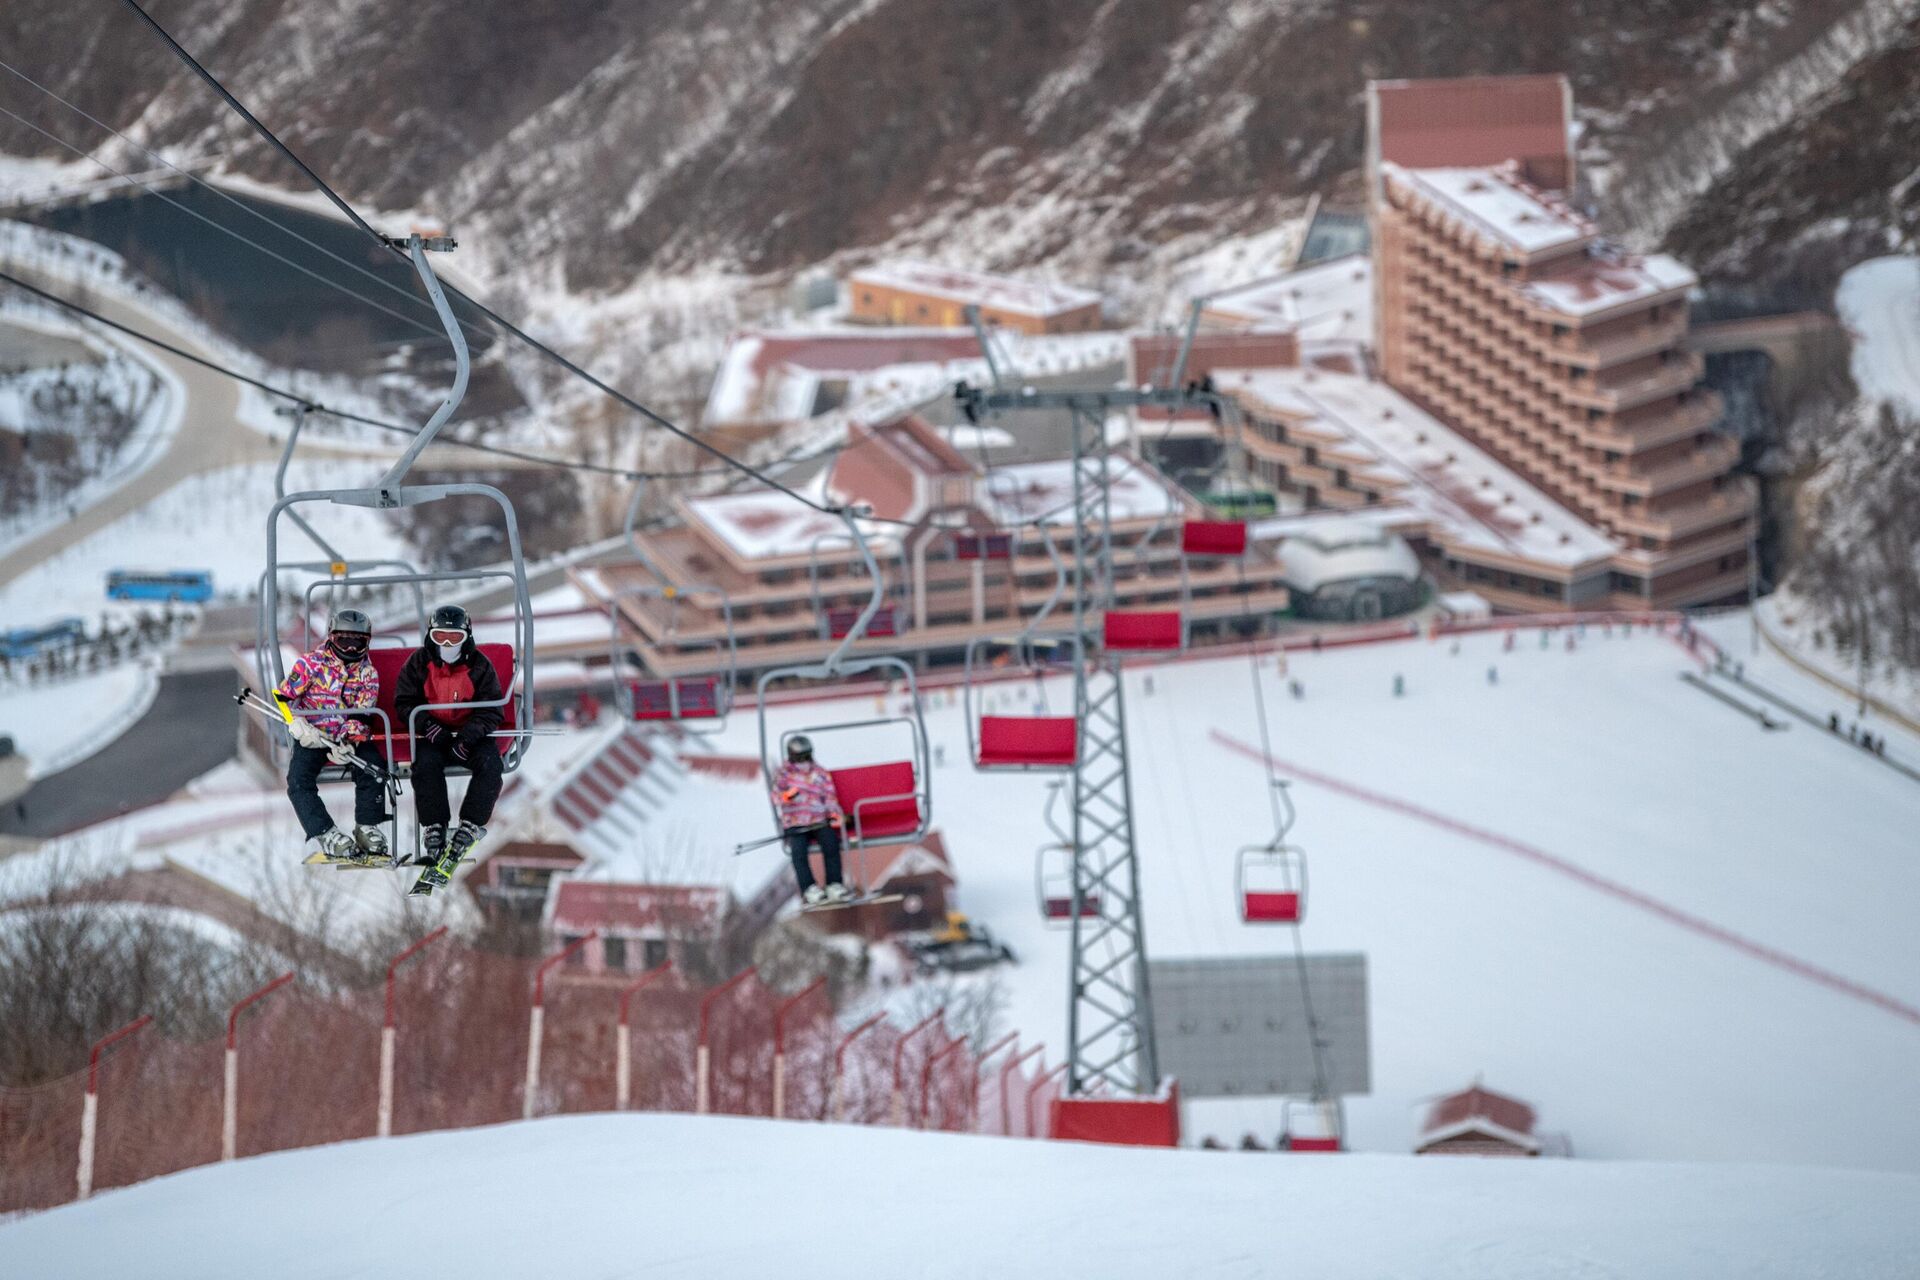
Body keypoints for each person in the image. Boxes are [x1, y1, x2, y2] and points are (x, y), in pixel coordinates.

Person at [394, 604, 504, 878]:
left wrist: (469, 737)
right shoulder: (419, 663)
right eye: (440, 636)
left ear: (466, 636)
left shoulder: (479, 665)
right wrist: (429, 727)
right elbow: (404, 702)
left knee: (491, 764)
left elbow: (492, 708)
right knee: (425, 766)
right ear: (430, 636)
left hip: (471, 734)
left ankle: (470, 824)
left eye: (454, 638)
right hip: (434, 734)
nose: (446, 644)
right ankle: (435, 825)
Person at [276, 609, 387, 862]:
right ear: (331, 637)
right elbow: (282, 697)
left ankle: (367, 826)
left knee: (374, 768)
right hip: (312, 735)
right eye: (343, 641)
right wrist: (297, 723)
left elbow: (362, 713)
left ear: (366, 641)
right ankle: (325, 832)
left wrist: (348, 741)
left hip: (346, 737)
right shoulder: (311, 664)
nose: (349, 648)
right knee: (297, 781)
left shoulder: (367, 674)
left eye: (357, 642)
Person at [770, 735, 850, 907]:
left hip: (818, 819)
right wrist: (788, 796)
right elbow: (776, 797)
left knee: (831, 845)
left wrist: (834, 813)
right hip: (795, 821)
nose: (804, 762)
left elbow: (829, 796)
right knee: (798, 852)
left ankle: (834, 884)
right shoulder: (783, 774)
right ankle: (809, 888)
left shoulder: (819, 773)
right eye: (800, 758)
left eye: (806, 757)